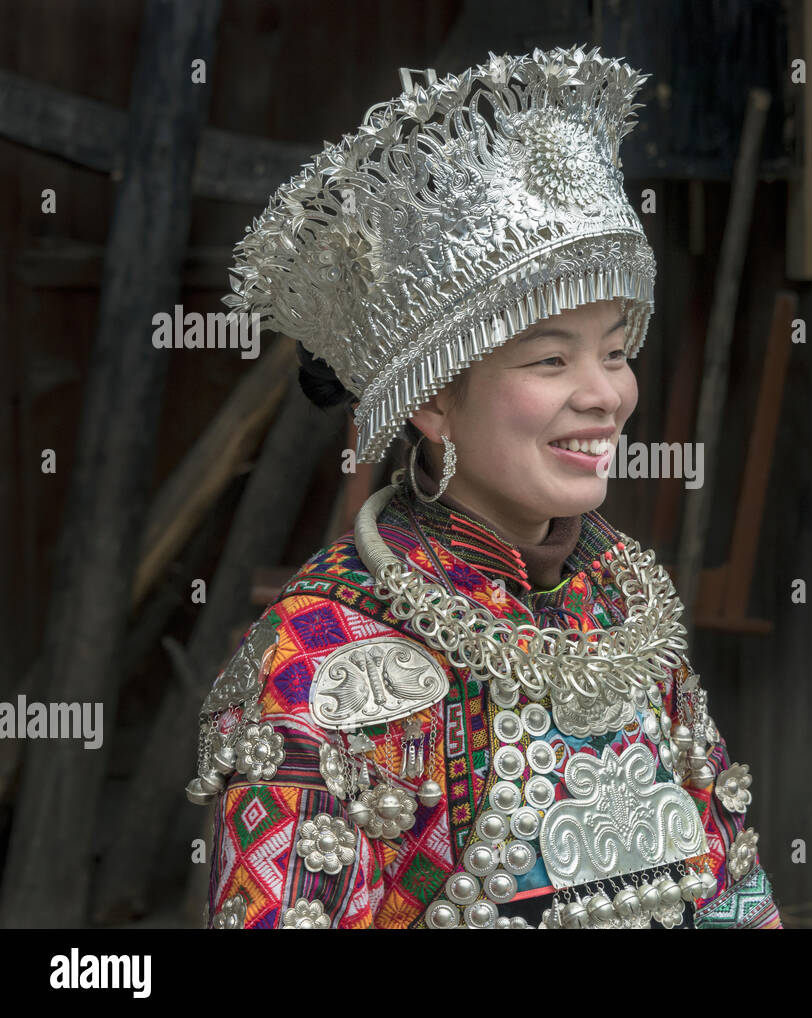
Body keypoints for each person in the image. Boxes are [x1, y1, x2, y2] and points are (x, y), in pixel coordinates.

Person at [186, 43, 781, 929]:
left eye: (616, 351)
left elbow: (730, 895)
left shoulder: (623, 607)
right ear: (433, 403)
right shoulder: (319, 657)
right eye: (551, 358)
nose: (606, 395)